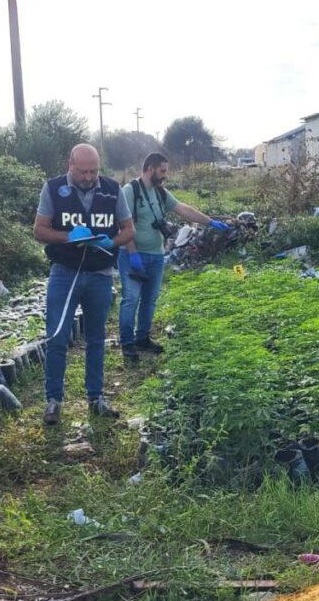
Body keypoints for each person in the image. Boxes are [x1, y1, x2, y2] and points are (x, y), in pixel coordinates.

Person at [34, 143, 135, 425]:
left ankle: (96, 397)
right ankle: (53, 400)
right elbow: (39, 229)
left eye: (94, 171)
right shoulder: (53, 189)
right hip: (64, 272)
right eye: (83, 172)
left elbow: (129, 230)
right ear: (70, 165)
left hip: (100, 274)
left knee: (95, 338)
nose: (89, 177)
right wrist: (69, 237)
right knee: (56, 336)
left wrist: (111, 242)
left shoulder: (112, 190)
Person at [118, 152, 229, 364]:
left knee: (149, 301)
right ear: (150, 168)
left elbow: (182, 209)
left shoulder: (160, 192)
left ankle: (142, 338)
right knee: (131, 300)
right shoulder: (130, 191)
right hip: (133, 255)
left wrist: (210, 222)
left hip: (156, 255)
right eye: (162, 171)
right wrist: (132, 254)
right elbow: (124, 225)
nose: (165, 175)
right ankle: (127, 345)